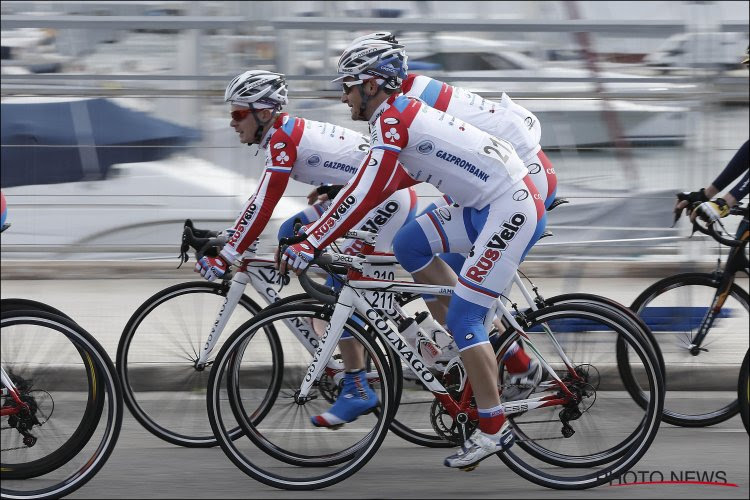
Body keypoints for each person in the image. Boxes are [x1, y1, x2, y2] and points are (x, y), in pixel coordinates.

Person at [279, 36, 547, 470]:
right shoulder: (393, 118)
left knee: (464, 317)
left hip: (508, 206)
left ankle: (493, 428)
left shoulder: (394, 120)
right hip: (482, 206)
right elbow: (368, 184)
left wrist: (313, 240)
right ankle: (478, 341)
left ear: (370, 85)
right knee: (408, 244)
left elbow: (367, 193)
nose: (342, 95)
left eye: (347, 85)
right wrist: (317, 228)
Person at [194, 69, 417, 428]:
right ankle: (352, 332)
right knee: (290, 231)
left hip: (385, 201)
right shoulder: (283, 133)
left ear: (263, 113)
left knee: (342, 292)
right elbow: (348, 161)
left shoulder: (282, 139)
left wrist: (229, 254)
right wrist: (234, 237)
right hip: (365, 196)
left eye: (237, 114)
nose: (232, 123)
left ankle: (356, 384)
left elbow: (265, 199)